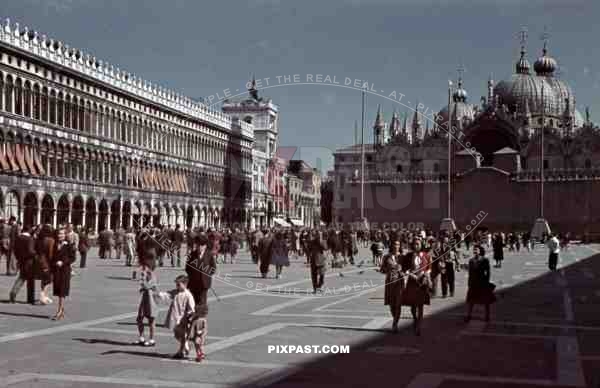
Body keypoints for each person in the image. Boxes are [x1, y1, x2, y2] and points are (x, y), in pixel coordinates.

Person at [401, 241, 431, 336]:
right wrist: (411, 275)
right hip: (412, 281)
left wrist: (425, 274)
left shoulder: (426, 255)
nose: (416, 245)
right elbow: (404, 268)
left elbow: (429, 267)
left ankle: (419, 326)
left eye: (418, 244)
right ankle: (415, 318)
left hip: (422, 282)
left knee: (420, 304)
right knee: (413, 305)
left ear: (421, 245)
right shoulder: (409, 255)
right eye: (414, 244)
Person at [165, 275, 196, 359]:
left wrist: (190, 315)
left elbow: (191, 307)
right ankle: (185, 344)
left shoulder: (188, 294)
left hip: (183, 318)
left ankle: (181, 352)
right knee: (176, 334)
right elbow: (168, 294)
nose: (177, 286)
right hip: (175, 316)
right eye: (176, 284)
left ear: (185, 284)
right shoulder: (176, 292)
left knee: (182, 335)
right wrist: (159, 295)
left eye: (179, 284)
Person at [50, 228, 77, 320]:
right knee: (58, 291)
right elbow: (52, 257)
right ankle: (61, 310)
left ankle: (59, 311)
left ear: (65, 235)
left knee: (62, 291)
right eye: (58, 234)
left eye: (61, 234)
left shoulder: (69, 245)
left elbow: (73, 258)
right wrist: (55, 263)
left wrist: (63, 262)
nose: (60, 235)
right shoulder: (55, 245)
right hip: (57, 270)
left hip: (65, 270)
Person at [465, 245, 496, 322]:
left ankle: (487, 316)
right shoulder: (471, 260)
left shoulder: (485, 260)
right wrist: (469, 282)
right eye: (474, 250)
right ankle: (469, 315)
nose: (475, 251)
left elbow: (488, 272)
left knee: (486, 300)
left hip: (482, 282)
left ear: (480, 251)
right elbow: (470, 272)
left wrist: (487, 281)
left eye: (476, 250)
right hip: (473, 282)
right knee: (471, 300)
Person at [186, 234, 216, 309]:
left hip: (204, 283)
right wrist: (192, 275)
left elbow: (213, 268)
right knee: (192, 303)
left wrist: (207, 274)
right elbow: (187, 268)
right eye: (198, 245)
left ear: (205, 246)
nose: (199, 247)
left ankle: (201, 319)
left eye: (201, 245)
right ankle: (193, 319)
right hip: (193, 283)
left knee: (202, 303)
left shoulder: (209, 254)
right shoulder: (192, 254)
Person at [380, 240, 404, 332]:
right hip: (389, 282)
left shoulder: (402, 257)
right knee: (391, 304)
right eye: (394, 244)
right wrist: (388, 269)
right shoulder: (386, 257)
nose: (396, 246)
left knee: (398, 304)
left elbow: (408, 268)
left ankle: (395, 323)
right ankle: (395, 318)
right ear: (392, 245)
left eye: (398, 244)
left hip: (399, 282)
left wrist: (402, 271)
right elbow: (382, 269)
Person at [9, 226, 36, 304]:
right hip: (29, 262)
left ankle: (13, 292)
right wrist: (36, 254)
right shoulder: (30, 239)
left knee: (21, 277)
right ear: (29, 230)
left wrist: (18, 258)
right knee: (30, 281)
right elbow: (31, 251)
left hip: (21, 261)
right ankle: (30, 299)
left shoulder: (18, 238)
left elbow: (15, 250)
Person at [136, 261, 158, 346]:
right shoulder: (146, 274)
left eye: (145, 267)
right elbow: (143, 287)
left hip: (151, 300)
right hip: (144, 299)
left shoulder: (152, 276)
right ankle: (141, 337)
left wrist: (143, 278)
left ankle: (152, 339)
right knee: (139, 318)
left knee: (151, 320)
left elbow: (147, 286)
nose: (143, 268)